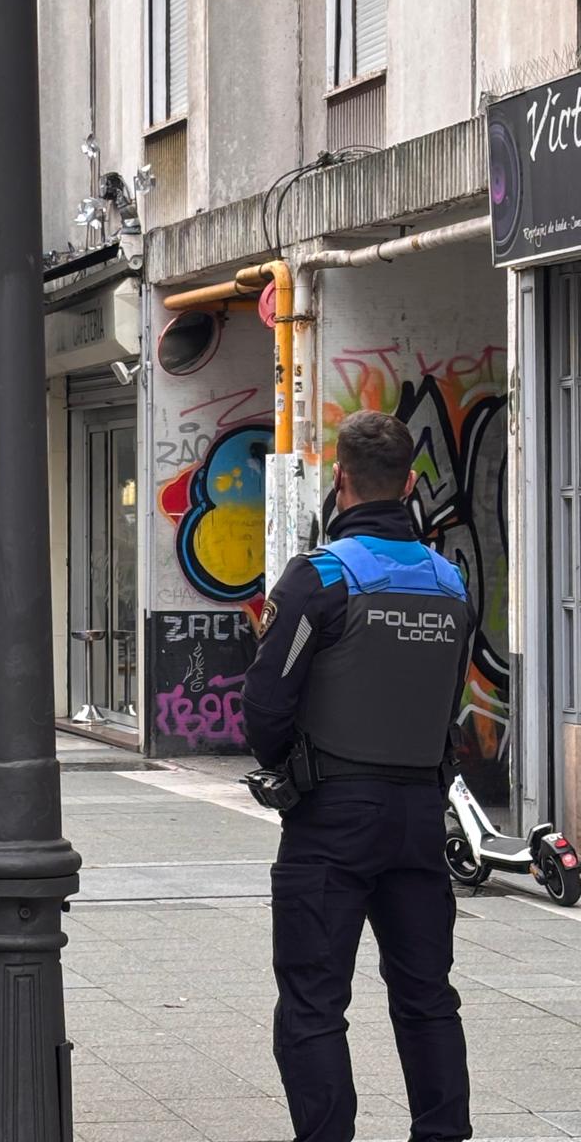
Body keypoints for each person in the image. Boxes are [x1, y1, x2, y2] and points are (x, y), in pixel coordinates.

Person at [242, 409, 477, 1142]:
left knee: (313, 1001)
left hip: (332, 815)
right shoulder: (452, 583)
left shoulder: (320, 579)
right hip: (418, 815)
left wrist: (291, 772)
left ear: (338, 478)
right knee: (426, 995)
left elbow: (264, 706)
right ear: (410, 482)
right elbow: (447, 700)